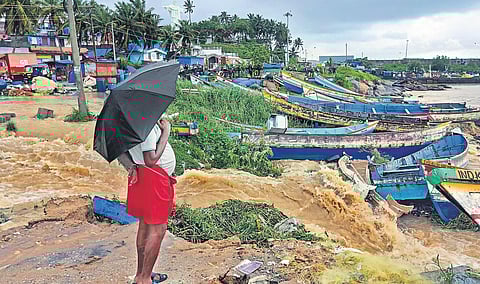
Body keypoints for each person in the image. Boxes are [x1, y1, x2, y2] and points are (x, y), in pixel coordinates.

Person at [117, 119, 176, 284]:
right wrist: (166, 132)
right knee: (158, 230)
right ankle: (144, 279)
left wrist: (131, 166)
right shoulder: (146, 125)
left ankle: (141, 274)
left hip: (142, 174)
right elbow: (151, 159)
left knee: (144, 225)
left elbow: (118, 151)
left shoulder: (124, 123)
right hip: (155, 178)